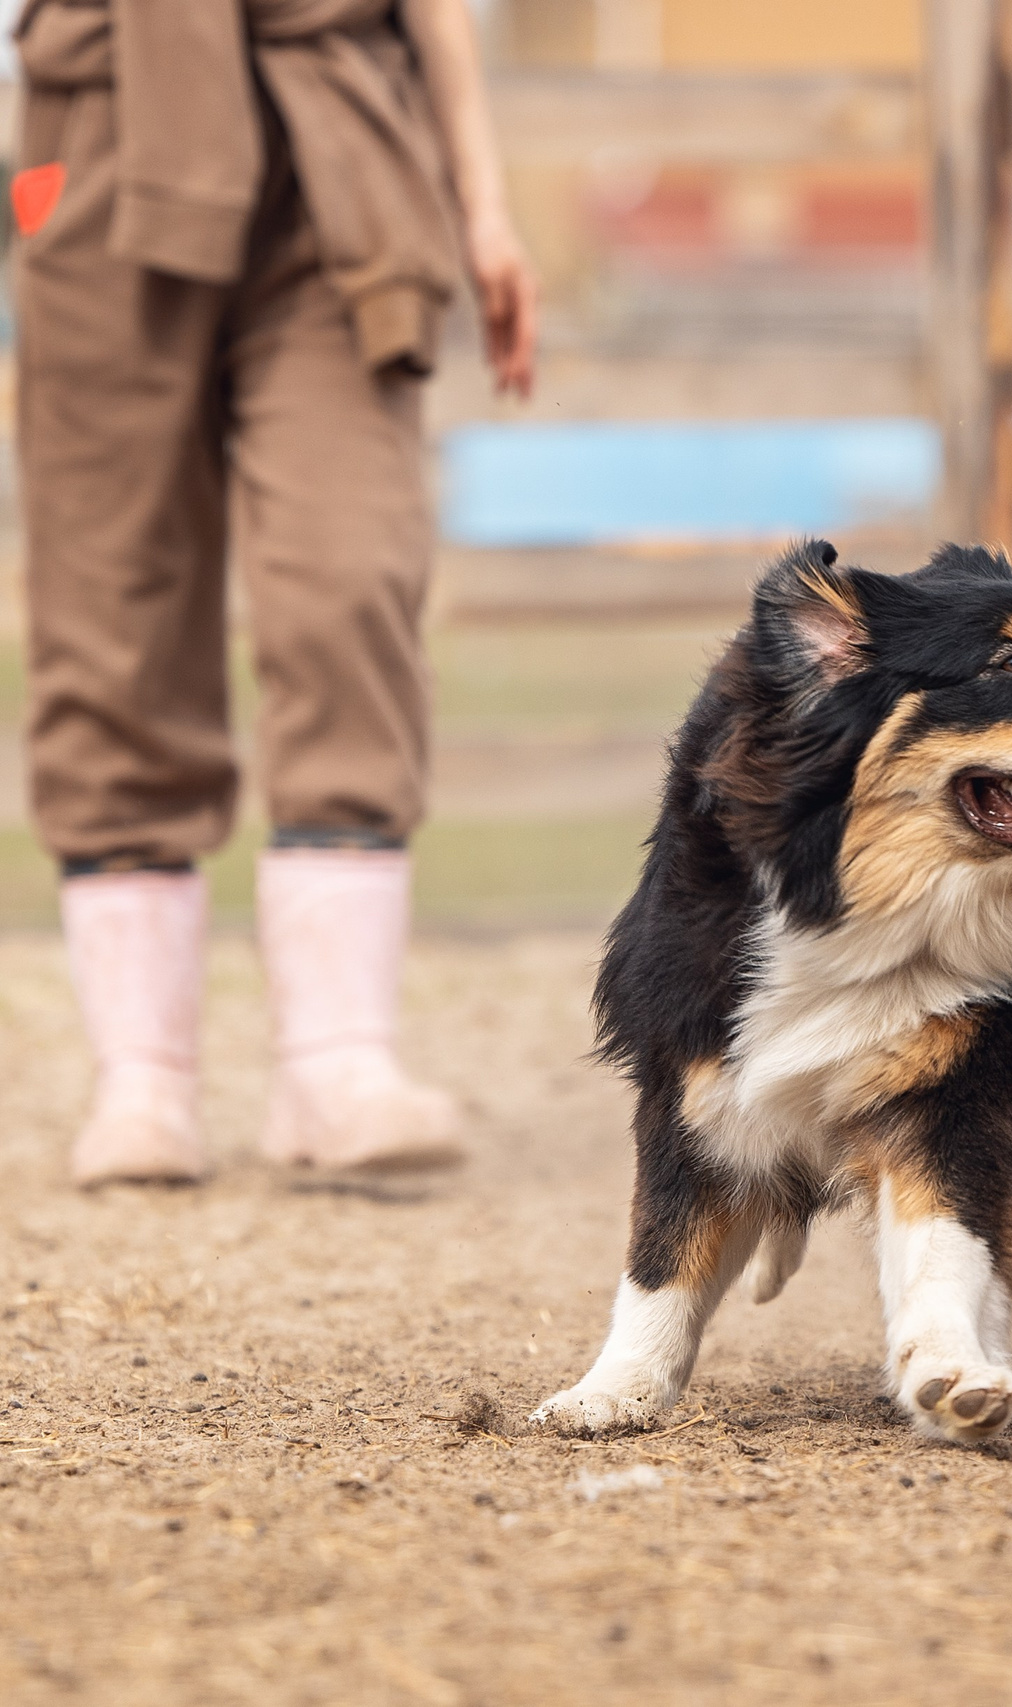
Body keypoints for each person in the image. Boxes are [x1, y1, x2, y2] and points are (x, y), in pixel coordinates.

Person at [10, 0, 539, 1185]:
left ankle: (337, 1063)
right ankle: (140, 1076)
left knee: (351, 576)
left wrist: (484, 202)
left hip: (340, 144)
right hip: (95, 130)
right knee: (109, 607)